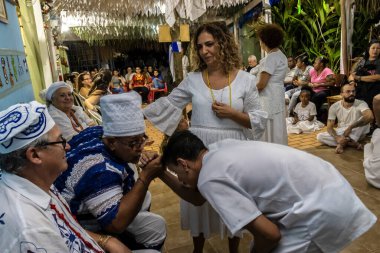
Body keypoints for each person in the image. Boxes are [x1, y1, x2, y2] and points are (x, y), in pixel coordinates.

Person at [144, 21, 267, 253]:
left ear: (222, 43)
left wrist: (234, 114)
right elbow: (169, 104)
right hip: (198, 149)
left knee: (232, 202)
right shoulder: (192, 79)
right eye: (200, 47)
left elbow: (258, 119)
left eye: (209, 44)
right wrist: (137, 115)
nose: (204, 51)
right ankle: (197, 250)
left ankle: (234, 249)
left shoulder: (246, 80)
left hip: (233, 150)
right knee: (197, 202)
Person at [159, 130, 377, 253]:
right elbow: (198, 199)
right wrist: (160, 173)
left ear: (184, 163)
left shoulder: (209, 178)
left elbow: (270, 234)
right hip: (330, 184)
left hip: (319, 209)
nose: (181, 180)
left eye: (176, 172)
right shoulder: (219, 149)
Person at [0, 101, 130, 253]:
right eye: (60, 140)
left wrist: (105, 240)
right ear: (35, 155)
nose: (67, 146)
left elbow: (66, 230)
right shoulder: (31, 230)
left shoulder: (33, 179)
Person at [54, 92, 166, 252]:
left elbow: (129, 146)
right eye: (134, 143)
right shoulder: (98, 170)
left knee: (155, 223)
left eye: (142, 139)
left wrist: (138, 150)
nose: (140, 148)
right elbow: (116, 224)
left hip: (90, 209)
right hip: (84, 227)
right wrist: (145, 176)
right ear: (112, 142)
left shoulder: (99, 132)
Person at [317, 84, 374, 153]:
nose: (351, 93)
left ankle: (342, 143)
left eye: (353, 91)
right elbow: (329, 127)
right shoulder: (334, 106)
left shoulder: (361, 103)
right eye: (348, 91)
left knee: (365, 120)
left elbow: (370, 117)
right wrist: (337, 137)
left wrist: (351, 127)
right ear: (341, 94)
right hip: (343, 131)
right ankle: (349, 142)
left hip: (357, 132)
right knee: (320, 136)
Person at [256, 23, 288, 145]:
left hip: (268, 96)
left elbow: (262, 84)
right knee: (277, 125)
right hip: (277, 93)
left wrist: (247, 90)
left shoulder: (271, 58)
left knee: (268, 126)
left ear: (264, 41)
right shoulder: (281, 56)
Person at [349, 40, 380, 109]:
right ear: (368, 49)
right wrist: (352, 81)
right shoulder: (362, 61)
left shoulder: (379, 61)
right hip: (360, 88)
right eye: (373, 48)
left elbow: (378, 77)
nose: (375, 50)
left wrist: (359, 78)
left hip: (375, 87)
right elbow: (352, 75)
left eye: (378, 48)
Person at [364, 94, 380, 188]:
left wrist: (378, 123)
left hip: (374, 179)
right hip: (375, 178)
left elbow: (377, 98)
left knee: (368, 146)